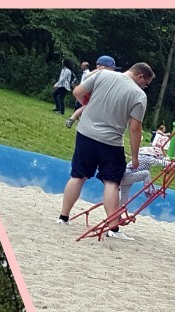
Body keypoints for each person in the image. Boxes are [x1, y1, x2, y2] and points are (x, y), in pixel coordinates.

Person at [58, 61, 154, 239]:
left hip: (85, 133)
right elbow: (135, 128)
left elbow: (77, 92)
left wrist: (89, 106)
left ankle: (63, 217)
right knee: (111, 182)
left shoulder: (102, 74)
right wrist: (135, 156)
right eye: (146, 83)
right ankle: (113, 228)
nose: (145, 87)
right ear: (141, 77)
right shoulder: (139, 95)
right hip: (111, 141)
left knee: (78, 175)